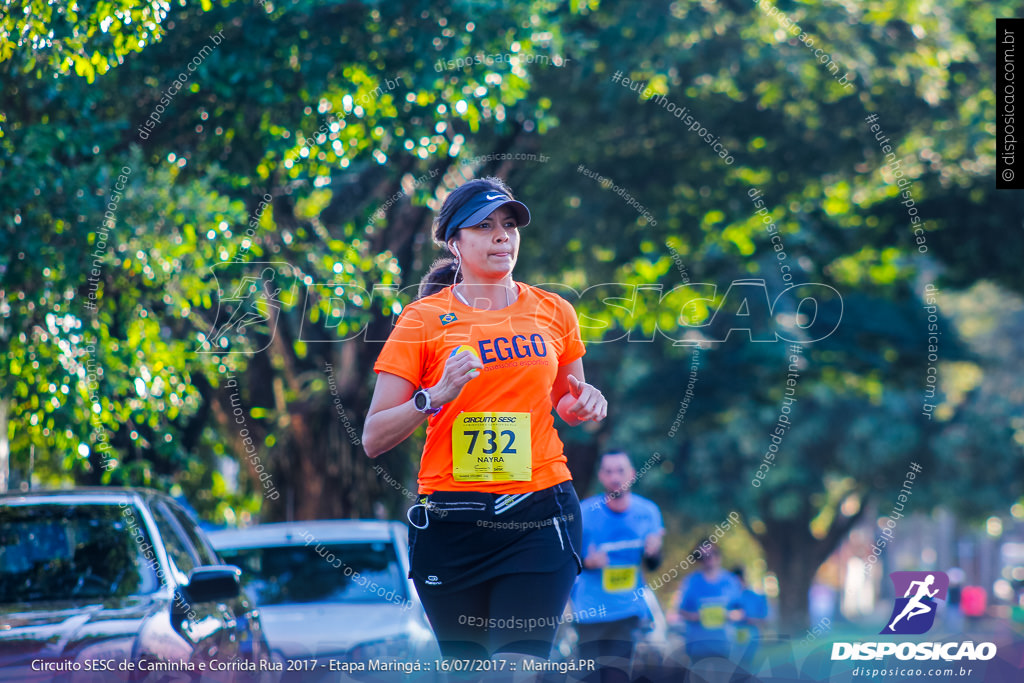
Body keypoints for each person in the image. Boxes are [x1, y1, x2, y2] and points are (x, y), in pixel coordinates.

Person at [362, 177, 608, 670]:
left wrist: (584, 405)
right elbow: (373, 437)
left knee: (513, 668)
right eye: (485, 225)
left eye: (509, 224)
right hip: (453, 522)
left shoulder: (554, 311)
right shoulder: (422, 320)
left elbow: (567, 402)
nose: (503, 236)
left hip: (540, 513)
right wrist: (435, 397)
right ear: (454, 241)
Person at [571, 451, 665, 683]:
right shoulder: (585, 512)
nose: (615, 477)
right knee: (591, 677)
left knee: (617, 676)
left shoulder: (648, 512)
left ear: (632, 474)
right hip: (590, 612)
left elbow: (653, 564)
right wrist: (588, 562)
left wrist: (654, 552)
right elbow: (569, 562)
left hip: (627, 609)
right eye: (609, 471)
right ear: (601, 476)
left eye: (621, 470)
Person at [671, 539, 742, 662]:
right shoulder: (690, 582)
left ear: (719, 554)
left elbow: (741, 612)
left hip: (725, 647)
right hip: (697, 648)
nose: (708, 559)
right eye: (702, 557)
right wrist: (695, 616)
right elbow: (680, 610)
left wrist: (729, 615)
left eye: (712, 553)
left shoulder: (731, 581)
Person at [730, 567, 768, 668]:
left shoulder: (755, 597)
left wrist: (748, 619)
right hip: (732, 641)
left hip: (751, 639)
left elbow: (764, 619)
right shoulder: (729, 598)